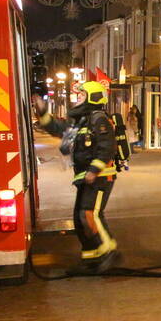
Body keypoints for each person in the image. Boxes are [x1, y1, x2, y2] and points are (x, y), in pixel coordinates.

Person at [34, 81, 119, 274]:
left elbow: (106, 148)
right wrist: (42, 111)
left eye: (81, 95)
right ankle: (91, 257)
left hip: (100, 177)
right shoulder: (81, 120)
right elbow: (57, 128)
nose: (78, 98)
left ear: (93, 97)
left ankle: (108, 250)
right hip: (84, 177)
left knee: (90, 214)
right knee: (79, 218)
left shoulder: (99, 120)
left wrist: (93, 170)